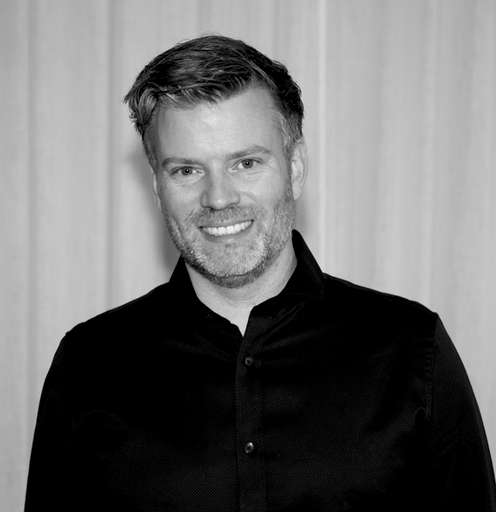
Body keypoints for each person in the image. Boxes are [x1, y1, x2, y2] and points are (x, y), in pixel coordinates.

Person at [25, 35, 496, 511]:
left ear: (296, 167)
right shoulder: (88, 366)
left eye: (246, 163)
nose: (218, 198)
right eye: (187, 170)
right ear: (157, 185)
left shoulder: (413, 350)